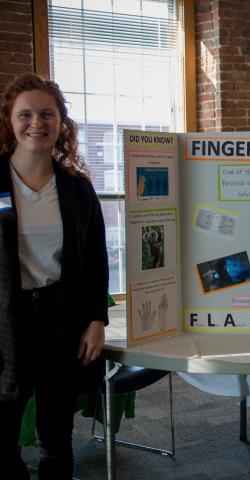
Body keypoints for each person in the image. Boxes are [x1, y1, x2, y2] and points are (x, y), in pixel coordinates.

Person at [0, 73, 109, 479]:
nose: (37, 123)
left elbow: (96, 260)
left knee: (56, 439)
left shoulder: (77, 189)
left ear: (61, 122)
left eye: (48, 114)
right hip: (5, 322)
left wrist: (97, 319)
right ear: (10, 121)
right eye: (25, 114)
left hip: (60, 319)